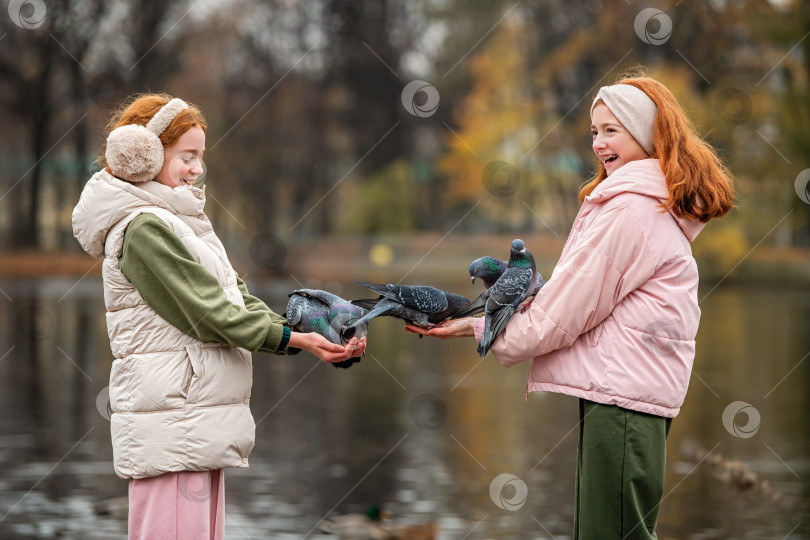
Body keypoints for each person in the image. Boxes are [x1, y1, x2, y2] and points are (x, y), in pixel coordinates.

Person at [406, 75, 735, 538]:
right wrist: (477, 322)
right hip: (625, 400)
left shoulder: (631, 213)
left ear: (645, 136)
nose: (599, 144)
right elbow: (566, 300)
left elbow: (560, 316)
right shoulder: (645, 205)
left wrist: (477, 327)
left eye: (612, 131)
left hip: (622, 407)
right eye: (594, 132)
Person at [73, 93, 366, 540]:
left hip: (195, 422)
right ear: (145, 155)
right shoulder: (144, 228)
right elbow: (209, 314)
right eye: (186, 156)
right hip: (172, 426)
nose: (196, 169)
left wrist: (309, 333)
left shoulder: (181, 222)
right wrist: (292, 339)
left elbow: (236, 298)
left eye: (200, 157)